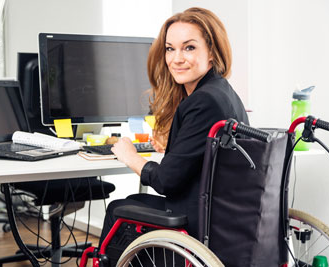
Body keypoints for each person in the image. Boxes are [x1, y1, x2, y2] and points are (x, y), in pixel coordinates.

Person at [99, 7, 249, 243]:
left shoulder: (205, 100)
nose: (176, 58)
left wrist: (130, 156)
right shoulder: (221, 91)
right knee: (135, 201)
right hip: (220, 215)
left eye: (189, 47)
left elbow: (165, 182)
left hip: (201, 223)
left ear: (212, 52)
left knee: (118, 209)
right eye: (170, 49)